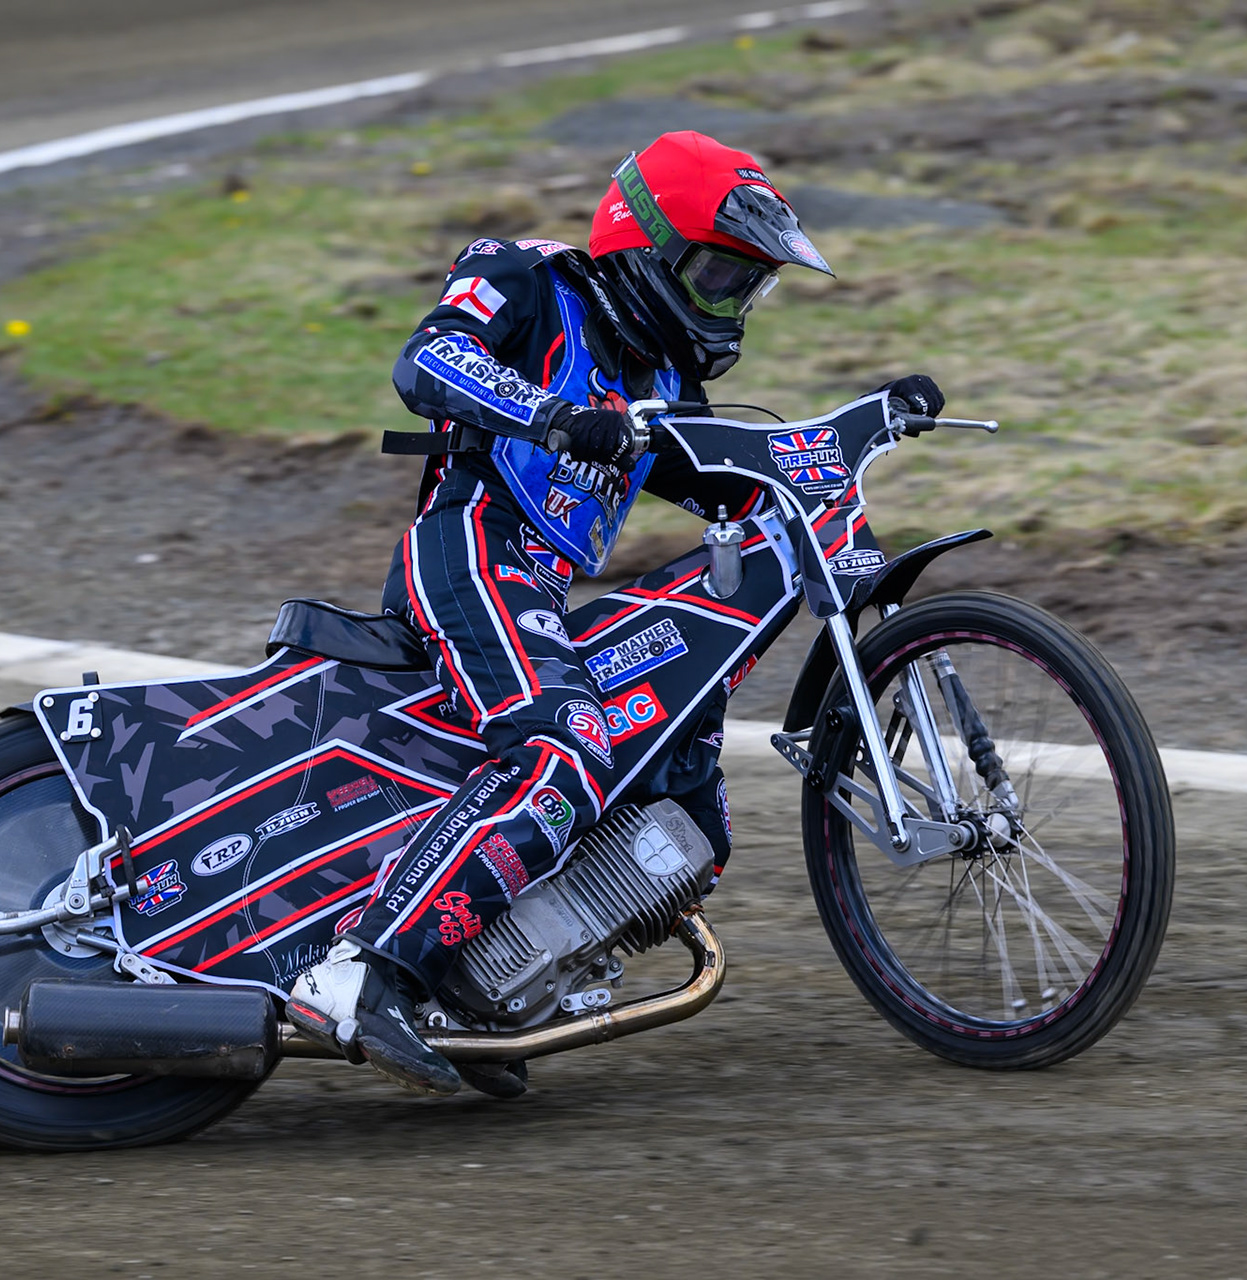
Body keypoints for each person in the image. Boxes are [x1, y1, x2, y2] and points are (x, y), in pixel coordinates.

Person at [285, 130, 945, 1096]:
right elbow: (425, 363)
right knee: (569, 745)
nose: (727, 305)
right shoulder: (524, 277)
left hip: (539, 589)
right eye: (718, 273)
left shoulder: (668, 380)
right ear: (645, 243)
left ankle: (477, 995)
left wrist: (858, 428)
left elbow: (729, 483)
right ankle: (362, 972)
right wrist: (553, 417)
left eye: (746, 286)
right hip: (471, 547)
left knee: (688, 808)